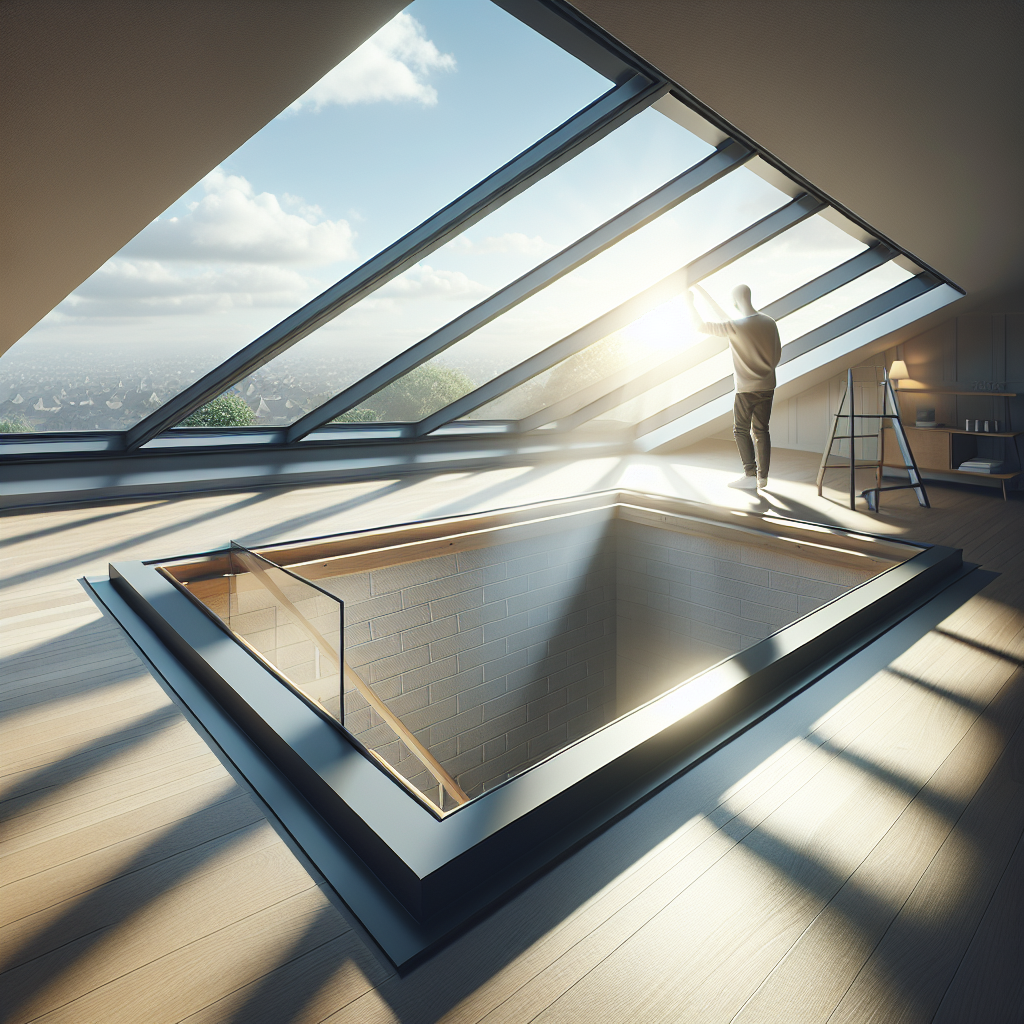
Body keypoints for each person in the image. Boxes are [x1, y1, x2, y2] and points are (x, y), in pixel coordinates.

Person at [684, 283, 781, 491]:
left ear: (736, 302)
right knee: (762, 430)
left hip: (745, 388)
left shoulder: (734, 326)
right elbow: (777, 356)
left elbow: (700, 326)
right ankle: (762, 477)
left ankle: (749, 474)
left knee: (741, 430)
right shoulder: (769, 323)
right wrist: (703, 291)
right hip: (767, 386)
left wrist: (689, 303)